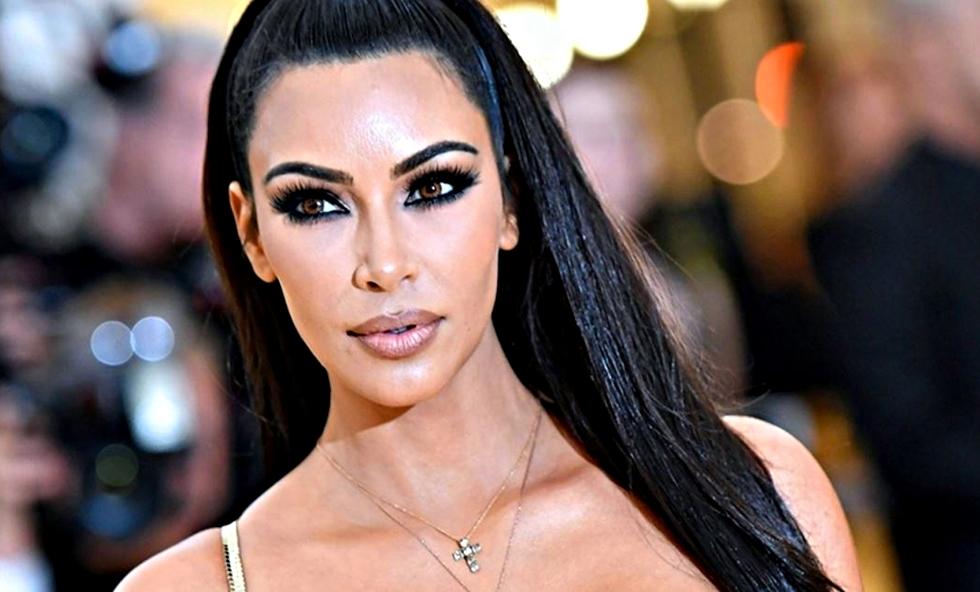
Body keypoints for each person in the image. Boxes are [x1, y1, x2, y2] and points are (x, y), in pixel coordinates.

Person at [118, 1, 861, 590]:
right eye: (316, 204)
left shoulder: (755, 490)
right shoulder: (196, 585)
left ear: (510, 201)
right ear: (251, 234)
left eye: (434, 187)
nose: (385, 264)